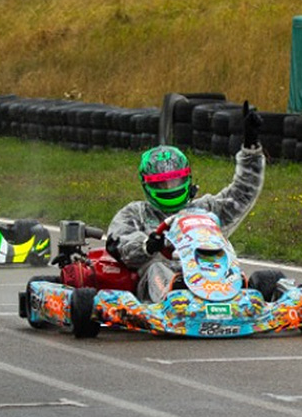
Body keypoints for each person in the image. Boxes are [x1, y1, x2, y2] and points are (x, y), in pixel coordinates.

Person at [101, 102, 266, 302]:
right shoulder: (136, 213)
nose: (170, 188)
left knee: (259, 278)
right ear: (147, 185)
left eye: (175, 181)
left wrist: (251, 149)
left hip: (211, 274)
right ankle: (176, 296)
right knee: (156, 268)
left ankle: (240, 295)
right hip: (160, 287)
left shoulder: (205, 209)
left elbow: (242, 192)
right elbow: (119, 244)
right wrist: (148, 245)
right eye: (162, 184)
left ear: (187, 179)